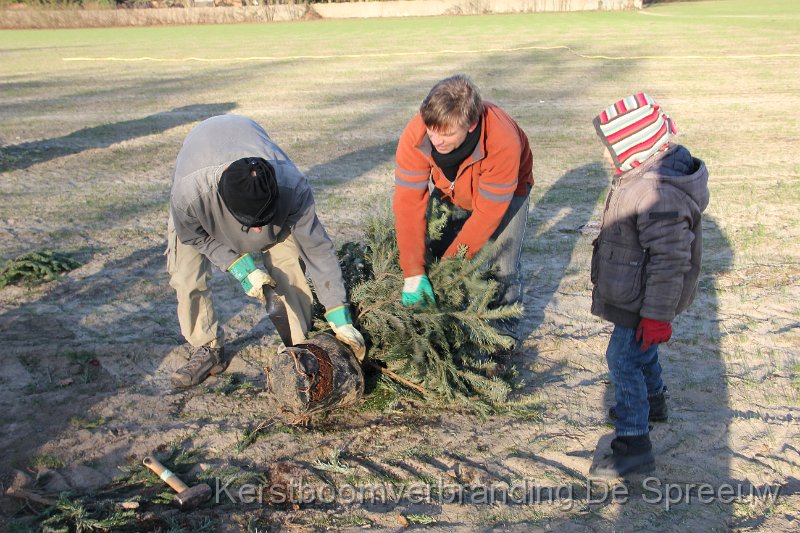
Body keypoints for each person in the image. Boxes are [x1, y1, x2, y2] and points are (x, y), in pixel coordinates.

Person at [167, 114, 365, 389]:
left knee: (289, 267)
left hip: (261, 173)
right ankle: (207, 348)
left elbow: (317, 250)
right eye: (252, 225)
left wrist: (338, 313)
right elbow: (193, 237)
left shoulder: (291, 187)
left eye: (264, 222)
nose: (259, 233)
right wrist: (241, 267)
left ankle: (300, 348)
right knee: (187, 277)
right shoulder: (189, 196)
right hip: (200, 171)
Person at [588, 93, 709, 477]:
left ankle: (634, 442)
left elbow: (671, 261)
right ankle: (654, 401)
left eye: (613, 150)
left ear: (638, 149)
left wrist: (655, 316)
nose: (608, 158)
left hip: (646, 297)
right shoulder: (641, 176)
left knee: (621, 359)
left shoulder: (657, 192)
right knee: (639, 351)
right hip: (636, 289)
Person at [393, 74, 533, 354]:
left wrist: (450, 268)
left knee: (501, 266)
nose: (436, 140)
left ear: (470, 125)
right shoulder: (418, 132)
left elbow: (485, 217)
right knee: (431, 249)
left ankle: (502, 339)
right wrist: (413, 271)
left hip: (507, 194)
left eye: (446, 135)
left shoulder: (501, 140)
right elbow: (408, 202)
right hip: (450, 190)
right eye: (432, 131)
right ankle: (442, 326)